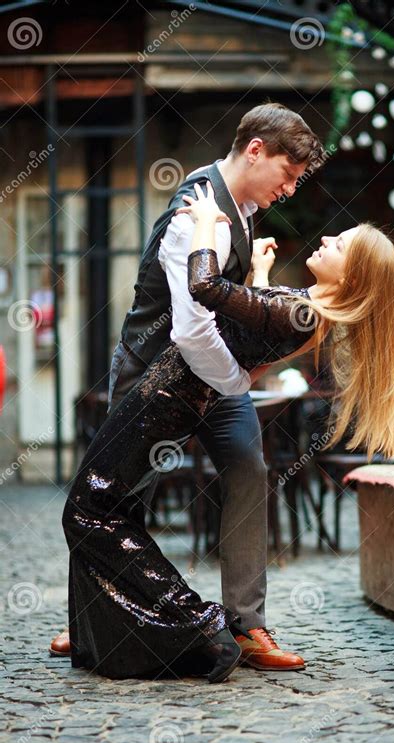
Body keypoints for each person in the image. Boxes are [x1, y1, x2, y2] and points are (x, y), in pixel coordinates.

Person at [61, 181, 394, 682]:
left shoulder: (301, 311)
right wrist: (262, 273)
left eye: (342, 244)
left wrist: (205, 226)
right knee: (101, 508)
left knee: (89, 509)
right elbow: (255, 318)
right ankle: (109, 631)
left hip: (162, 401)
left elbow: (207, 289)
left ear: (353, 273)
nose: (329, 239)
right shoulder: (307, 308)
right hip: (170, 398)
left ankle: (195, 624)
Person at [51, 103, 324, 671]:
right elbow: (191, 326)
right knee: (117, 497)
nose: (291, 189)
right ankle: (93, 625)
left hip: (211, 372)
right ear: (255, 150)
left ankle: (247, 626)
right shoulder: (191, 214)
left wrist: (257, 283)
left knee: (250, 471)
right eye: (289, 175)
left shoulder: (245, 209)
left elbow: (226, 302)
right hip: (157, 375)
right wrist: (240, 380)